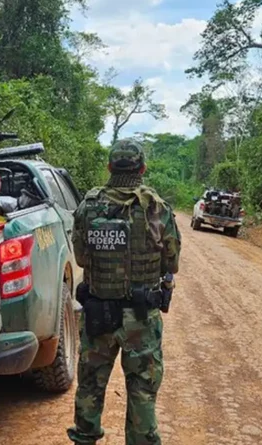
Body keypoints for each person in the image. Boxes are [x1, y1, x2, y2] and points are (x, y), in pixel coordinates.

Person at [67, 139, 181, 445]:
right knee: (142, 392)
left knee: (90, 386)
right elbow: (172, 261)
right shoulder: (157, 208)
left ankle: (85, 439)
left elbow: (80, 257)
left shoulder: (88, 207)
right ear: (142, 169)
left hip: (98, 315)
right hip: (142, 318)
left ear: (109, 168)